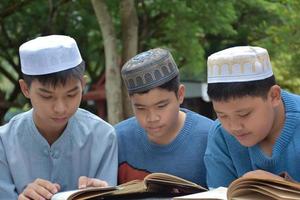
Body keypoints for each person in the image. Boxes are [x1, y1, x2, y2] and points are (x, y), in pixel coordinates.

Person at [0, 35, 118, 200]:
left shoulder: (103, 136)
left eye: (71, 94)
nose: (60, 108)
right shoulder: (3, 143)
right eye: (47, 96)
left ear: (83, 85)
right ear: (25, 89)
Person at [204, 46, 300, 188]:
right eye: (222, 115)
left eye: (244, 114)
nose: (234, 127)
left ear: (274, 96)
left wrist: (282, 186)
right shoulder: (221, 135)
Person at [115, 48, 213, 186]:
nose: (152, 118)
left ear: (180, 94)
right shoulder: (117, 139)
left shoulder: (211, 138)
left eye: (161, 106)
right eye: (140, 108)